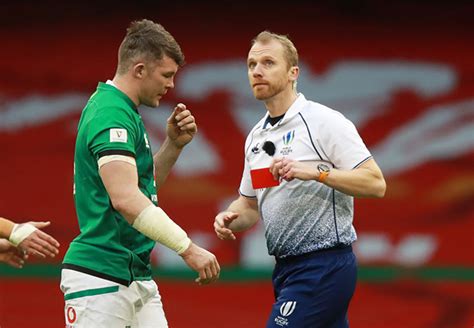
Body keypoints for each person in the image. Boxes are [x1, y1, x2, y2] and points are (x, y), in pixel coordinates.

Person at [214, 31, 386, 327]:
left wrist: (316, 173)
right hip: (285, 269)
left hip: (324, 265)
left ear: (294, 73)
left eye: (268, 62)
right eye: (251, 64)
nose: (257, 71)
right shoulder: (256, 137)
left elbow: (375, 183)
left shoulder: (323, 121)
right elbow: (250, 205)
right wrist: (229, 216)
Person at [61, 19, 220, 327]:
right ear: (139, 70)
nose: (172, 84)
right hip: (101, 277)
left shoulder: (123, 110)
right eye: (167, 75)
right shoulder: (112, 113)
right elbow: (126, 199)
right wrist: (187, 248)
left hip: (134, 275)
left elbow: (139, 189)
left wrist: (173, 146)